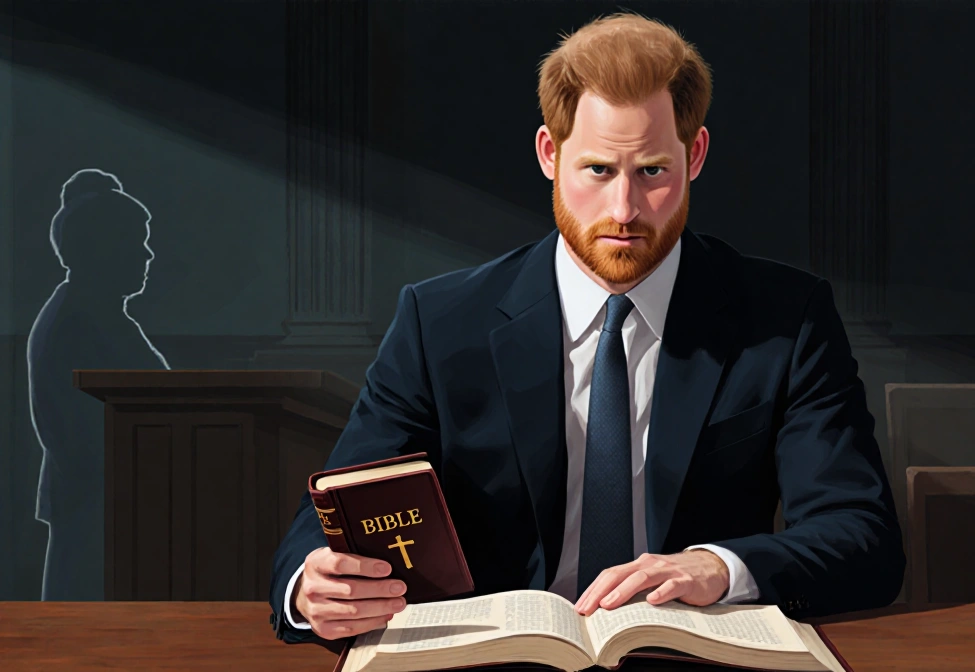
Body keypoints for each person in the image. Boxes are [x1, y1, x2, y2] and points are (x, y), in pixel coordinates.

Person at [269, 11, 904, 644]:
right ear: (550, 153)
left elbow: (862, 535)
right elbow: (333, 513)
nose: (624, 210)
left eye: (652, 171)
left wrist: (722, 567)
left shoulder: (787, 319)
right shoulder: (437, 323)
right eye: (598, 170)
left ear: (696, 155)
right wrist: (309, 587)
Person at [28, 168, 170, 601]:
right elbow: (89, 430)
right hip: (100, 506)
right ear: (98, 248)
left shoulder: (96, 315)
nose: (147, 254)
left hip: (104, 503)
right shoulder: (79, 322)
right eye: (134, 240)